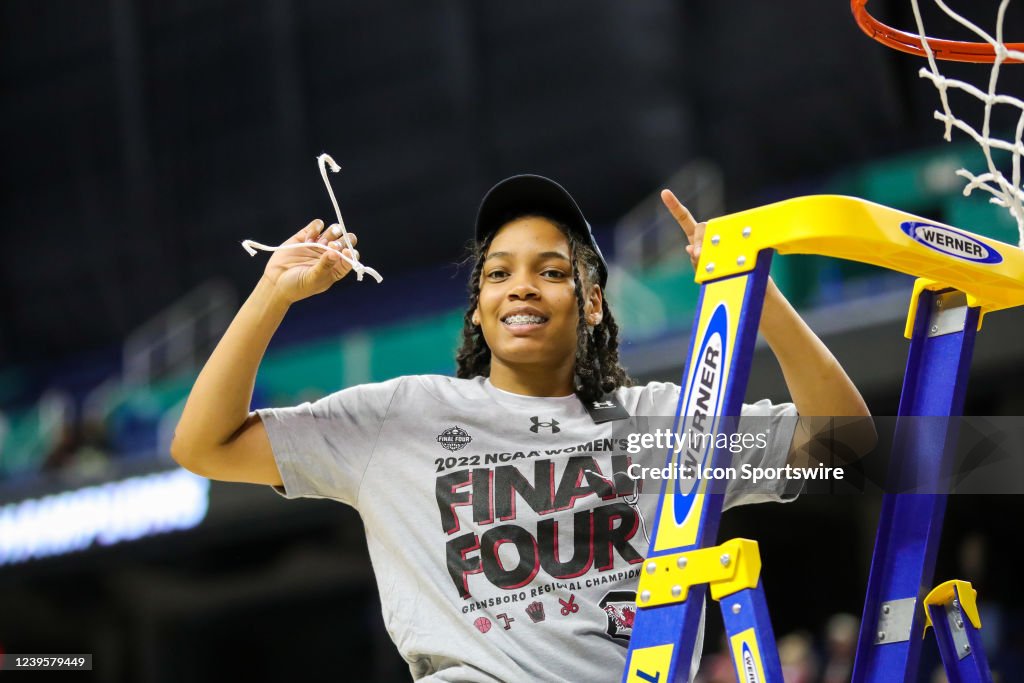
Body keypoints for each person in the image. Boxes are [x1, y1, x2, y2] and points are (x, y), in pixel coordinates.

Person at [171, 174, 874, 682]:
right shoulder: (401, 416)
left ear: (593, 302)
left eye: (552, 270)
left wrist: (757, 294)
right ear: (477, 308)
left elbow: (848, 448)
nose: (522, 286)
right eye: (498, 273)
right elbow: (203, 444)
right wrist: (271, 294)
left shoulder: (662, 421)